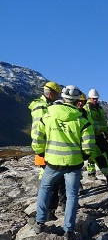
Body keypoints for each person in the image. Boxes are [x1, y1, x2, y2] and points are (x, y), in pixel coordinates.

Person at [31, 85, 95, 240]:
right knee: (72, 195)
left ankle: (40, 223)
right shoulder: (82, 120)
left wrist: (41, 152)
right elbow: (89, 145)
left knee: (45, 189)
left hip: (52, 163)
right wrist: (84, 156)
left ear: (63, 98)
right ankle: (69, 231)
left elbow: (38, 138)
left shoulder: (48, 115)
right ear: (77, 100)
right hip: (74, 164)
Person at [28, 81, 66, 216]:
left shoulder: (47, 105)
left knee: (56, 179)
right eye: (57, 94)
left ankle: (56, 206)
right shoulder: (41, 107)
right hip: (46, 150)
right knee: (49, 181)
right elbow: (38, 131)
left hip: (50, 149)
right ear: (50, 94)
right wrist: (41, 151)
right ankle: (47, 213)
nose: (58, 97)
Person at [77, 93, 108, 187]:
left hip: (91, 139)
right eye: (78, 101)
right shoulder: (78, 112)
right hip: (79, 142)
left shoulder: (86, 112)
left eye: (82, 102)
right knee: (76, 165)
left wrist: (105, 130)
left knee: (101, 159)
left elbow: (93, 125)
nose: (80, 104)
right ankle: (79, 185)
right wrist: (105, 129)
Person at [83, 89, 108, 177]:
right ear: (89, 98)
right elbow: (92, 124)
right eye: (93, 98)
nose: (95, 100)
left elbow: (103, 121)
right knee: (92, 153)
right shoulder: (86, 109)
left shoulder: (99, 108)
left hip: (99, 133)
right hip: (91, 134)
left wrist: (106, 132)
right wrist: (105, 129)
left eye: (96, 98)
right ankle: (91, 172)